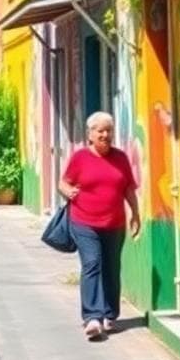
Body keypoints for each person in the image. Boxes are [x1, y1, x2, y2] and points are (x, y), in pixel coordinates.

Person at [58, 111, 141, 340]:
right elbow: (63, 182)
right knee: (92, 263)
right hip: (84, 221)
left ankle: (110, 314)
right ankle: (92, 317)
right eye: (100, 130)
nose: (105, 135)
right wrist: (68, 191)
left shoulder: (121, 158)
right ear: (90, 134)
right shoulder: (80, 158)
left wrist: (135, 213)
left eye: (109, 130)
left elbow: (128, 188)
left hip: (114, 223)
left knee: (112, 267)